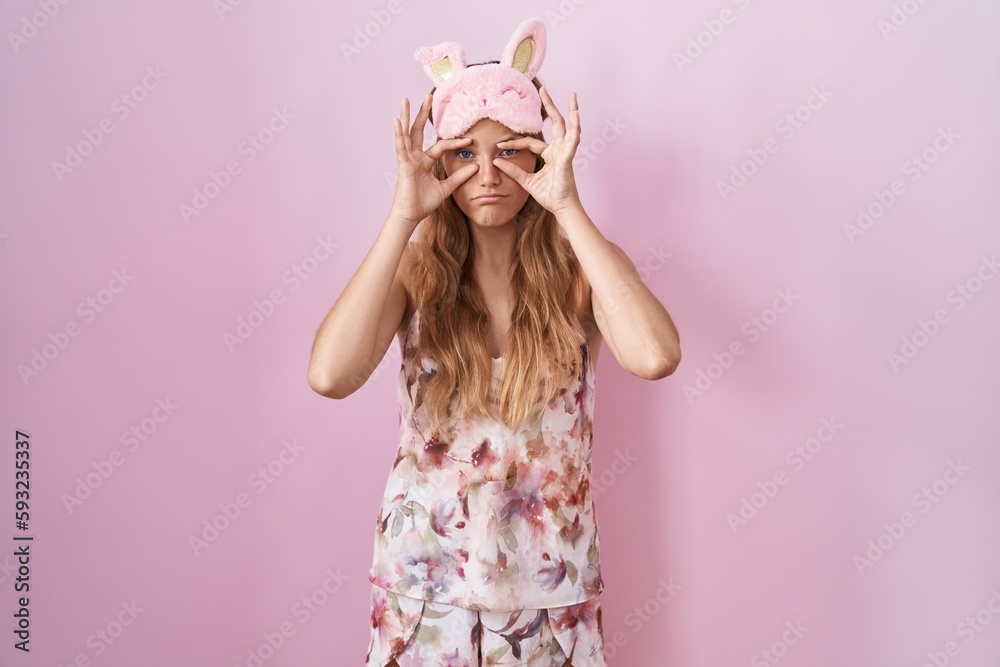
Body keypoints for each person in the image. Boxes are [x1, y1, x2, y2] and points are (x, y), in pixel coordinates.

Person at [307, 17, 681, 667]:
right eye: (464, 153)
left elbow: (654, 355)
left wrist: (568, 205)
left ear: (541, 152)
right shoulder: (414, 271)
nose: (486, 172)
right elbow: (330, 374)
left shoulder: (579, 272)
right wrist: (403, 215)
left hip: (550, 604)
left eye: (509, 149)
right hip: (425, 598)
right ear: (438, 158)